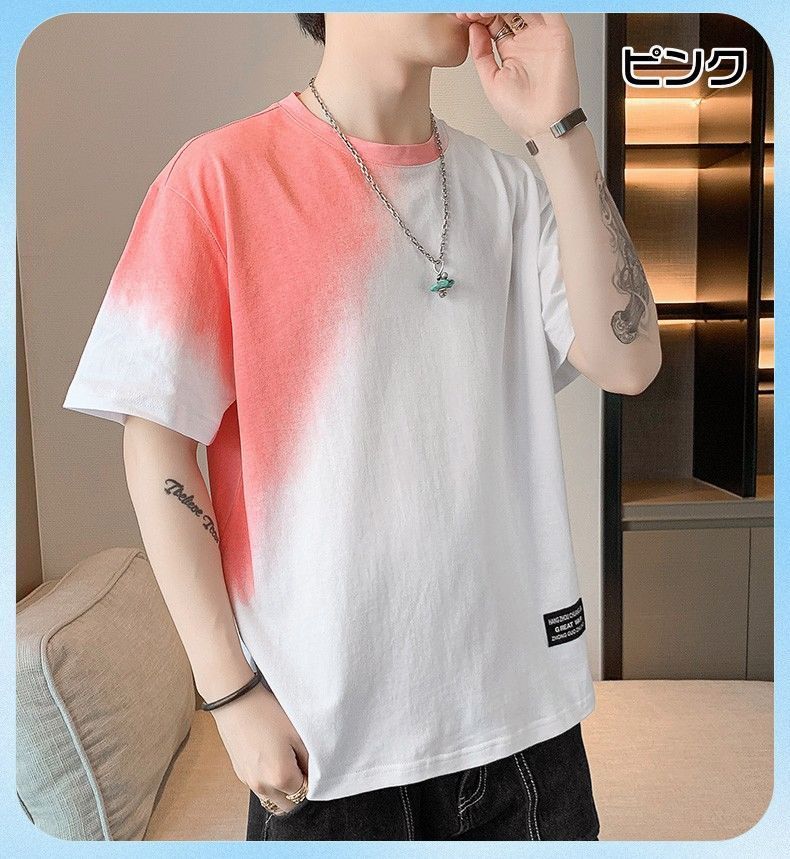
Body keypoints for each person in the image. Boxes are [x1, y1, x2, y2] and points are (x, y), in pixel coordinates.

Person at [63, 12, 661, 841]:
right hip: (327, 751)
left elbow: (630, 361)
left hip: (527, 739)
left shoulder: (510, 189)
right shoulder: (220, 178)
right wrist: (230, 695)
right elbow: (156, 444)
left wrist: (561, 130)